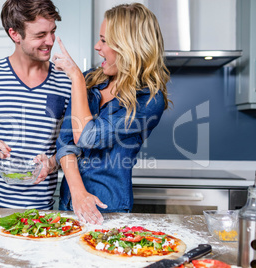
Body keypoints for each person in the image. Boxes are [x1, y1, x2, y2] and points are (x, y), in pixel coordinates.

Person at [53, 3, 171, 224]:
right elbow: (66, 142)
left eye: (105, 40)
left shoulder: (149, 100)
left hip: (109, 209)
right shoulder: (90, 80)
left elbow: (86, 137)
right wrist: (78, 194)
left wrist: (76, 79)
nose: (97, 46)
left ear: (129, 46)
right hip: (70, 202)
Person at [0, 0, 71, 209]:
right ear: (15, 34)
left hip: (37, 209)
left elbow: (73, 144)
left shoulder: (66, 82)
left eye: (53, 31)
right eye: (40, 35)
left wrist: (52, 163)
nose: (50, 41)